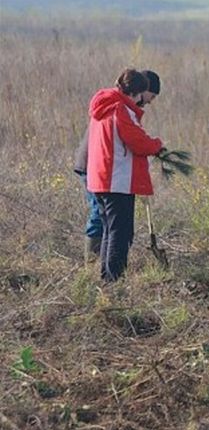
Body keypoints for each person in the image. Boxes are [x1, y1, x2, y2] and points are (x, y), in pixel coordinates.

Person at [86, 69, 164, 282]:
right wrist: (157, 145)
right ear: (137, 92)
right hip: (117, 181)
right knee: (120, 234)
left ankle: (106, 278)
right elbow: (137, 142)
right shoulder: (121, 109)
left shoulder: (104, 106)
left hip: (100, 179)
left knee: (110, 232)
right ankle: (113, 281)